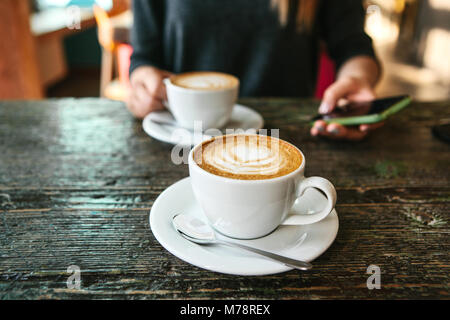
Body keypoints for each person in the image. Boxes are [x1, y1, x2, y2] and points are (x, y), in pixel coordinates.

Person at [126, 0, 382, 140]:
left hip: (284, 138)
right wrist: (142, 82)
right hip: (179, 147)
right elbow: (144, 57)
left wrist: (357, 78)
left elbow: (353, 46)